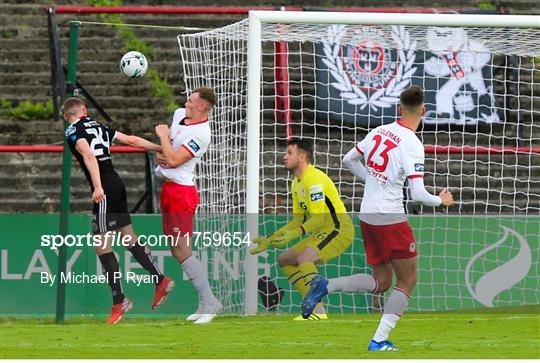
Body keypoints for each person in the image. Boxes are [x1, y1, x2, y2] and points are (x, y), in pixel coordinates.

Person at [301, 86, 454, 350]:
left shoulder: (379, 130)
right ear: (423, 111)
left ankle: (327, 285)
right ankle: (378, 340)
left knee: (383, 282)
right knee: (408, 280)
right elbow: (417, 194)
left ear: (399, 108)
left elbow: (348, 159)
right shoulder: (412, 144)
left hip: (368, 214)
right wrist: (441, 200)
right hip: (391, 217)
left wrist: (373, 179)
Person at [63, 97, 175, 325]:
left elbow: (88, 155)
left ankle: (119, 300)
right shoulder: (100, 126)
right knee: (128, 237)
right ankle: (160, 280)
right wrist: (159, 148)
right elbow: (131, 140)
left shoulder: (72, 131)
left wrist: (97, 186)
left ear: (67, 115)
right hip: (117, 185)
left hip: (104, 187)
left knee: (102, 245)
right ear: (84, 110)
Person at [250, 138, 354, 320]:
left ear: (302, 157)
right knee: (285, 259)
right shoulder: (296, 182)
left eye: (289, 153)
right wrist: (270, 239)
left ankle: (315, 310)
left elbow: (318, 218)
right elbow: (299, 220)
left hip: (339, 229)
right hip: (323, 230)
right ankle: (317, 309)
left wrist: (293, 235)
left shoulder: (313, 179)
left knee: (305, 257)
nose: (284, 157)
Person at [154, 87, 222, 324]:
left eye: (191, 101)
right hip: (169, 190)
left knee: (182, 249)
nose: (187, 103)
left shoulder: (202, 134)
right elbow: (167, 155)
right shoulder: (178, 115)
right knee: (177, 250)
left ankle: (210, 301)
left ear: (203, 106)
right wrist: (161, 154)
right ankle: (205, 302)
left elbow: (173, 159)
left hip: (182, 193)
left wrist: (162, 137)